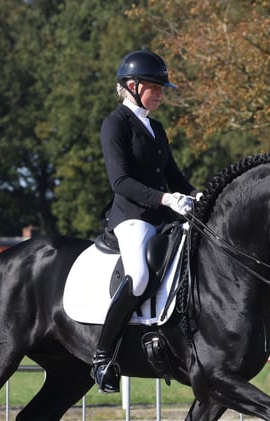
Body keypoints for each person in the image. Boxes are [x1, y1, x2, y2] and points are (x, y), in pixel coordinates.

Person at [92, 49, 197, 393]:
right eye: (157, 86)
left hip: (162, 215)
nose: (162, 92)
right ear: (133, 86)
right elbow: (120, 182)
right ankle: (103, 355)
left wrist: (197, 198)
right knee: (138, 277)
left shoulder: (156, 127)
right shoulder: (115, 124)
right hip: (131, 217)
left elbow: (175, 177)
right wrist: (166, 198)